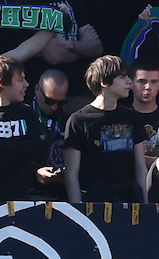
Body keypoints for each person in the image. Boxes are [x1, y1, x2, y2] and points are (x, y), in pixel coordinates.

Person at [0, 55, 62, 203]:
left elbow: (41, 147)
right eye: (20, 80)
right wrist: (24, 157)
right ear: (2, 83)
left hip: (22, 197)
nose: (26, 84)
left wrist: (1, 146)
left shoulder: (26, 113)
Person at [62, 55, 151, 202]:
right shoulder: (78, 120)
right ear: (104, 82)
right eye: (123, 77)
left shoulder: (132, 117)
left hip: (129, 199)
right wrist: (78, 211)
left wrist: (145, 206)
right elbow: (71, 174)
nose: (129, 81)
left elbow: (141, 168)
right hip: (94, 201)